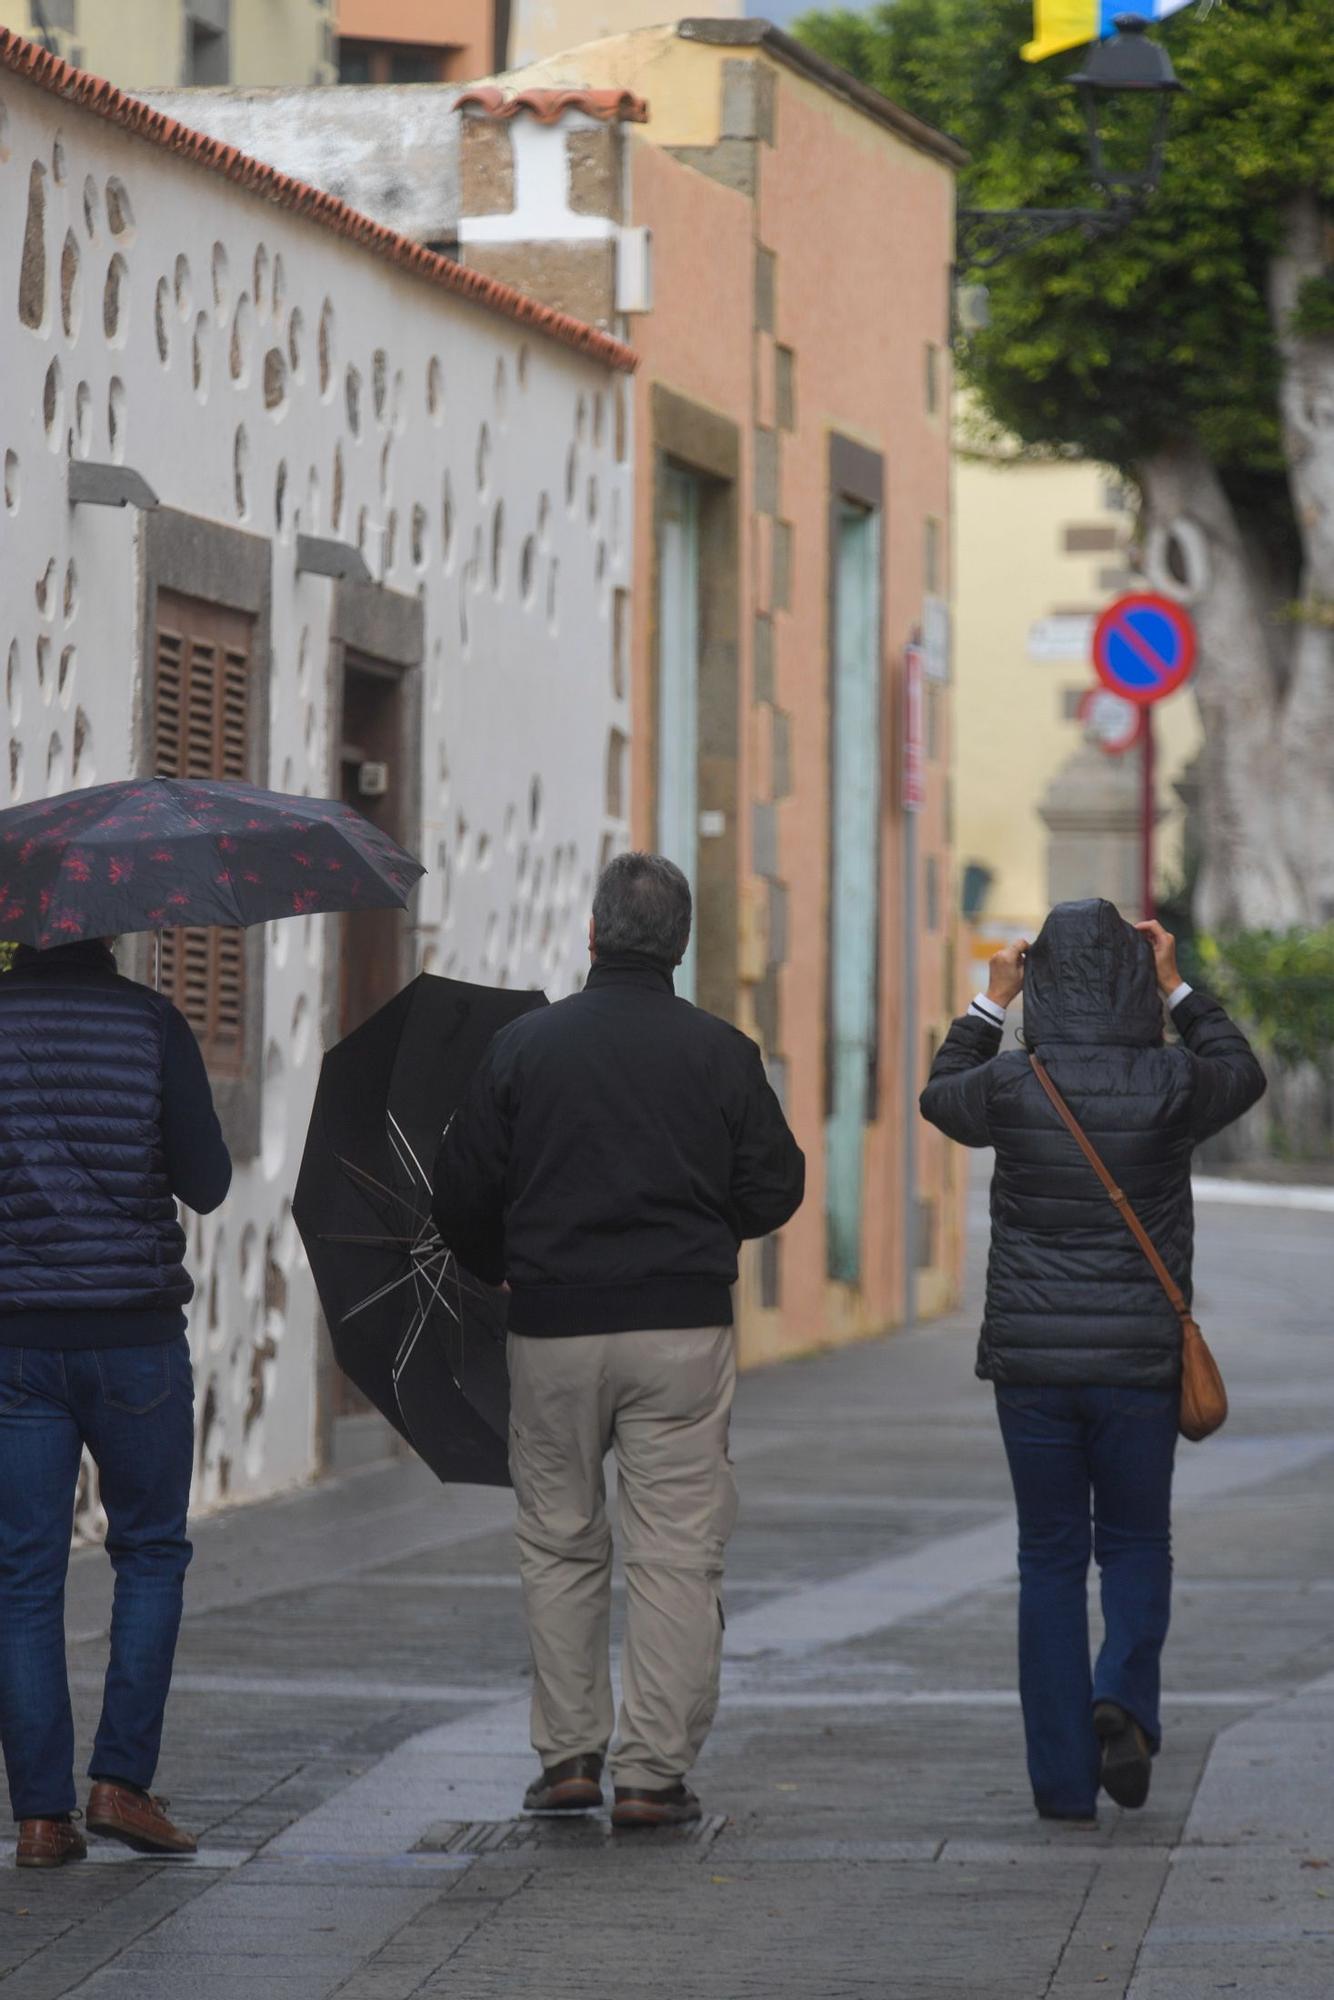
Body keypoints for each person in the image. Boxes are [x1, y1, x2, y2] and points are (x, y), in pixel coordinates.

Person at [433, 853, 805, 1828]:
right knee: (676, 1549)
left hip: (551, 1325)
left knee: (558, 1538)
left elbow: (460, 1190)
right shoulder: (722, 1051)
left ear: (592, 934)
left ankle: (566, 1757)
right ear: (677, 945)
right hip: (680, 1329)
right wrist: (699, 1220)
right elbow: (775, 1188)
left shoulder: (524, 1047)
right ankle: (650, 1771)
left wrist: (499, 1261)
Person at [920, 899, 1265, 1825]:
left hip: (1032, 1368)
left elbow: (938, 1091)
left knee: (1049, 1558)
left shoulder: (1011, 1087)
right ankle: (1123, 1693)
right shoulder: (1172, 1082)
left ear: (1042, 980)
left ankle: (1064, 1785)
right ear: (1126, 977)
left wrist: (990, 1004)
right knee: (1135, 1543)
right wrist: (1179, 985)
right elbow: (1243, 1071)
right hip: (1138, 1365)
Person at [0, 937, 231, 1869]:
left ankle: (42, 1819)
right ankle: (120, 1785)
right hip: (134, 1339)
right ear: (109, 927)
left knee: (22, 1577)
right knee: (149, 1552)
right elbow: (208, 1183)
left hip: (16, 1342)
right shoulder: (153, 1022)